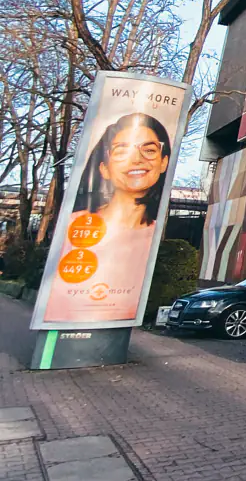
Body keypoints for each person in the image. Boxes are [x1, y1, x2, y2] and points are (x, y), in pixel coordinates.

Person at [40, 112, 172, 323]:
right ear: (104, 168)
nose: (137, 159)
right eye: (122, 151)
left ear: (164, 162)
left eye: (149, 150)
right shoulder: (75, 226)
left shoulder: (156, 239)